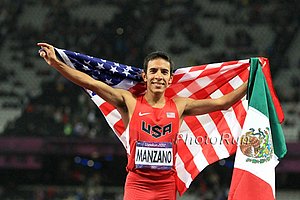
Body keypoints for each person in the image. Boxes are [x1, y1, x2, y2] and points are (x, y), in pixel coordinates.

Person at [37, 42, 248, 200]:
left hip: (166, 185)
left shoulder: (181, 105)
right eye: (153, 71)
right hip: (137, 184)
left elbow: (222, 102)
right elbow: (91, 83)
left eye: (164, 72)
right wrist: (56, 63)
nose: (158, 76)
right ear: (145, 77)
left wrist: (253, 79)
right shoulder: (129, 101)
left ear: (170, 79)